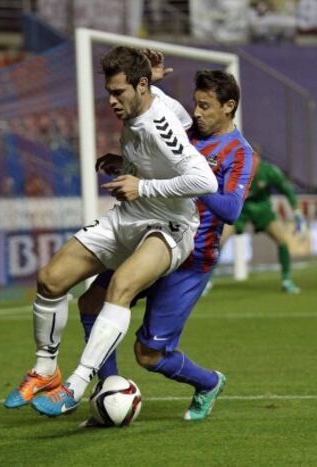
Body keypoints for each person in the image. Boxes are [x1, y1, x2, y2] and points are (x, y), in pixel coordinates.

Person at [4, 46, 218, 416]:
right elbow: (165, 120)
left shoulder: (157, 124)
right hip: (130, 215)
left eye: (119, 92)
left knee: (119, 287)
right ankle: (46, 370)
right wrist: (128, 165)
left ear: (140, 86)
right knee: (51, 279)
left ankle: (76, 384)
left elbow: (205, 180)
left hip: (170, 225)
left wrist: (143, 186)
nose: (113, 101)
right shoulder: (145, 102)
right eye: (109, 92)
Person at [77, 63, 257, 423]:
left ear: (229, 106)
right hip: (153, 239)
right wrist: (126, 164)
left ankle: (208, 382)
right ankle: (107, 386)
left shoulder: (240, 153)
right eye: (196, 103)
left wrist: (195, 183)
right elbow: (158, 166)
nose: (196, 112)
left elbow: (232, 210)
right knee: (93, 301)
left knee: (148, 355)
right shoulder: (185, 134)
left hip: (192, 258)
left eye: (206, 106)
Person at [220, 157, 306, 294]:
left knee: (282, 239)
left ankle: (286, 280)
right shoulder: (233, 170)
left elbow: (286, 189)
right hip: (239, 210)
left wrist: (296, 212)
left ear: (256, 157)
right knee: (219, 240)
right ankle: (205, 281)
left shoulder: (268, 171)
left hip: (262, 209)